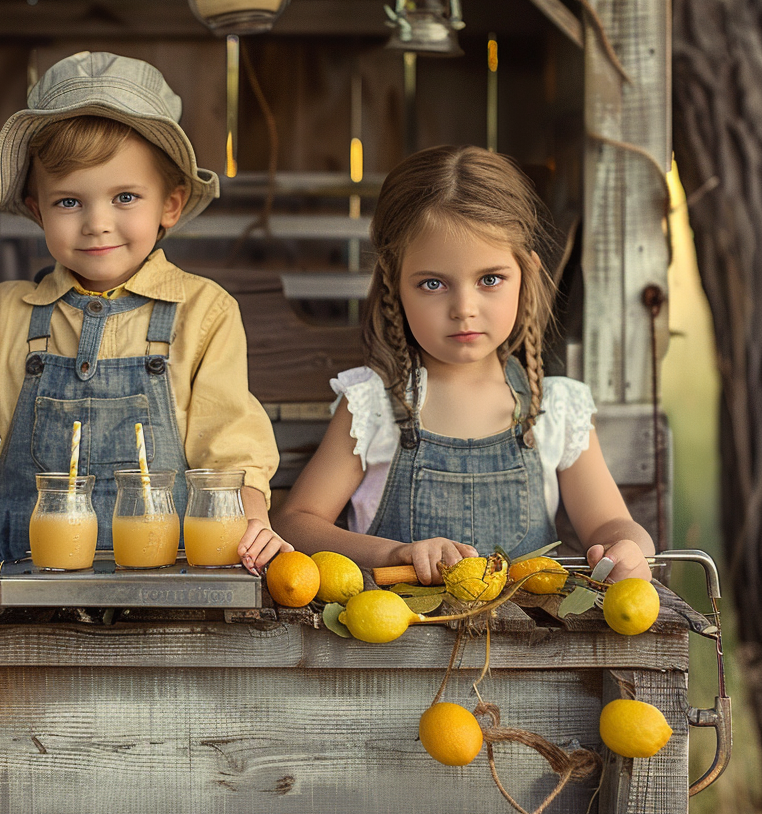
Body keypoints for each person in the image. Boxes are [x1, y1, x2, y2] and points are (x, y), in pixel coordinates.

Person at [0, 51, 289, 571]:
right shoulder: (6, 315)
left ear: (169, 204)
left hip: (164, 591)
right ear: (37, 209)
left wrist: (254, 520)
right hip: (15, 592)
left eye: (125, 196)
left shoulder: (204, 312)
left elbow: (232, 454)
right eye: (68, 202)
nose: (96, 223)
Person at [274, 145, 654, 584]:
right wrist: (394, 553)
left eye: (490, 279)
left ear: (526, 273)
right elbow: (296, 523)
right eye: (433, 284)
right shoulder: (373, 407)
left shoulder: (555, 409)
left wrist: (631, 545)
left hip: (531, 646)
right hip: (398, 644)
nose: (464, 308)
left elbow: (609, 524)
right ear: (394, 285)